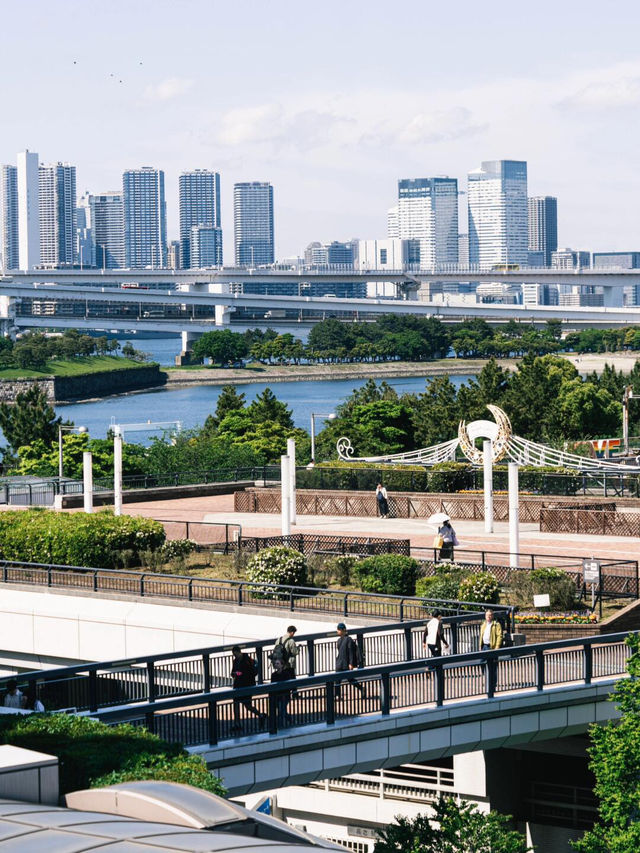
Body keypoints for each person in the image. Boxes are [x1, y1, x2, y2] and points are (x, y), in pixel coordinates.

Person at [230, 646, 266, 731]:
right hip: (238, 685)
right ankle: (237, 723)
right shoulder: (236, 661)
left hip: (246, 685)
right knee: (236, 704)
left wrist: (240, 674)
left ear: (239, 652)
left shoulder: (247, 660)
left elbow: (249, 673)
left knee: (247, 705)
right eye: (234, 655)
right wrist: (235, 674)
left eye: (236, 654)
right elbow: (233, 672)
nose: (235, 656)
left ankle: (260, 715)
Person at [335, 622, 365, 700]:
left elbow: (351, 652)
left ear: (343, 630)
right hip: (339, 663)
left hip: (346, 663)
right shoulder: (338, 640)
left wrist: (351, 663)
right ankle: (337, 695)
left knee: (350, 679)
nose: (337, 631)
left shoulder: (349, 639)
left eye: (339, 629)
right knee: (337, 680)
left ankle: (361, 688)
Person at [270, 658, 295, 725]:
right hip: (277, 696)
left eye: (278, 663)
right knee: (282, 711)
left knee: (281, 711)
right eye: (275, 664)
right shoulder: (273, 675)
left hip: (285, 696)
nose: (276, 665)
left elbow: (288, 685)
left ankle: (280, 725)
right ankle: (289, 719)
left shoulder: (286, 674)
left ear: (282, 665)